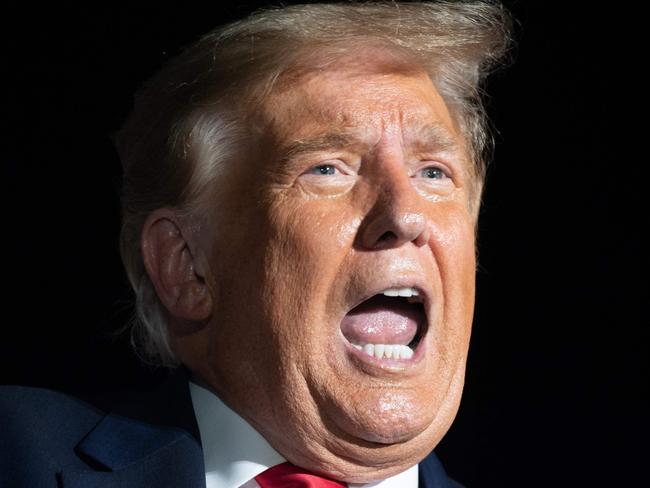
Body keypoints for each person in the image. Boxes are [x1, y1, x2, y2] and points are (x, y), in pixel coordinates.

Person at [0, 2, 511, 487]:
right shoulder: (15, 452)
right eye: (328, 168)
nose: (404, 214)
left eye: (433, 172)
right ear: (187, 266)